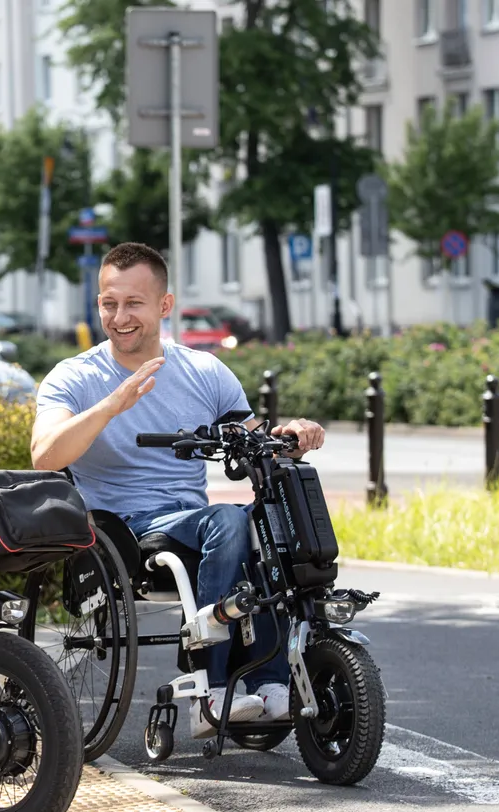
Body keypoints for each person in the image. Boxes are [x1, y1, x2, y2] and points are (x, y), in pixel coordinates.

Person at [30, 242, 326, 738]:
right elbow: (45, 456)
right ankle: (208, 691)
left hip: (193, 522)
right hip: (122, 532)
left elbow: (254, 441)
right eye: (109, 303)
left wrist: (292, 438)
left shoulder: (204, 371)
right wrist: (110, 406)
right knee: (228, 519)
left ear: (164, 305)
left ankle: (273, 685)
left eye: (133, 303)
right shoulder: (75, 377)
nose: (119, 317)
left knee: (266, 522)